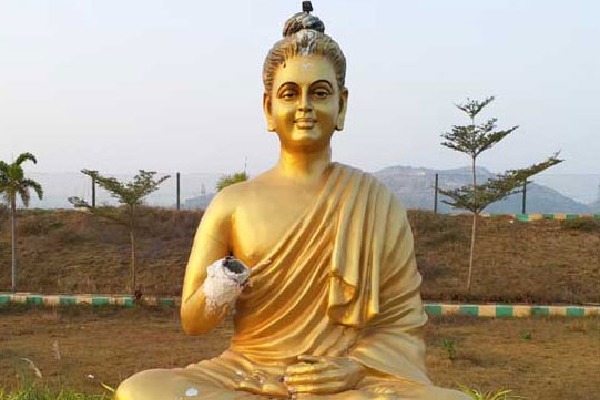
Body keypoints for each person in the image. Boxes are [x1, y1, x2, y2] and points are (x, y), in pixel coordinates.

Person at [115, 4, 469, 399]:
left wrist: (355, 368)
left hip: (341, 380)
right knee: (139, 390)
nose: (304, 106)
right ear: (269, 108)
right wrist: (223, 283)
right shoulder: (233, 203)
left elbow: (402, 325)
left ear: (342, 106)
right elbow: (193, 321)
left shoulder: (375, 202)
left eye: (320, 93)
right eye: (289, 94)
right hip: (248, 372)